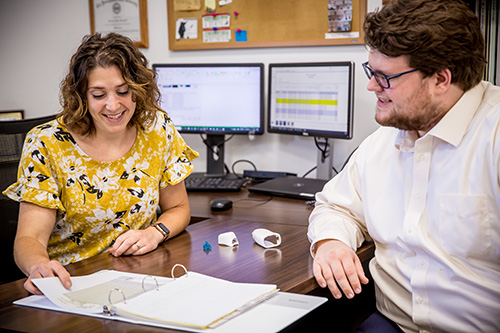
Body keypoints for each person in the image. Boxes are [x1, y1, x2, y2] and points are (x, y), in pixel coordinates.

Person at [308, 0, 500, 332]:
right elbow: (335, 206)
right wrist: (331, 242)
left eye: (384, 77)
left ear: (441, 79)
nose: (371, 87)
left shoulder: (493, 138)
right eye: (372, 72)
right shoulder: (383, 142)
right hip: (390, 323)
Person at [3, 33, 198, 295]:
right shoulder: (46, 143)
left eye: (123, 91)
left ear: (138, 89)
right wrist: (39, 266)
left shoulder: (157, 130)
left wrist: (156, 232)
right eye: (98, 94)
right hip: (71, 284)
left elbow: (178, 207)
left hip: (141, 279)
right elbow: (29, 238)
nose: (113, 105)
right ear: (81, 95)